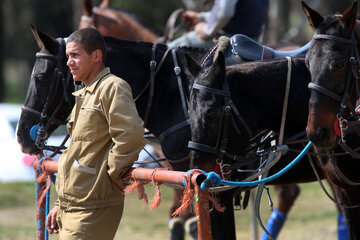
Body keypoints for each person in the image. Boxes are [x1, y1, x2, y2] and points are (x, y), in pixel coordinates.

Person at [45, 28, 145, 240]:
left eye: (75, 55)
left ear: (97, 56)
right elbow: (78, 151)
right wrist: (59, 204)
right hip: (71, 205)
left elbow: (131, 136)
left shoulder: (113, 87)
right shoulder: (85, 93)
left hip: (93, 207)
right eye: (67, 57)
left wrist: (113, 173)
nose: (69, 62)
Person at [168, 0, 269, 50]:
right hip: (253, 41)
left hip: (229, 39)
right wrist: (201, 17)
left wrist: (207, 30)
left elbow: (225, 12)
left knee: (169, 49)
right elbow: (241, 14)